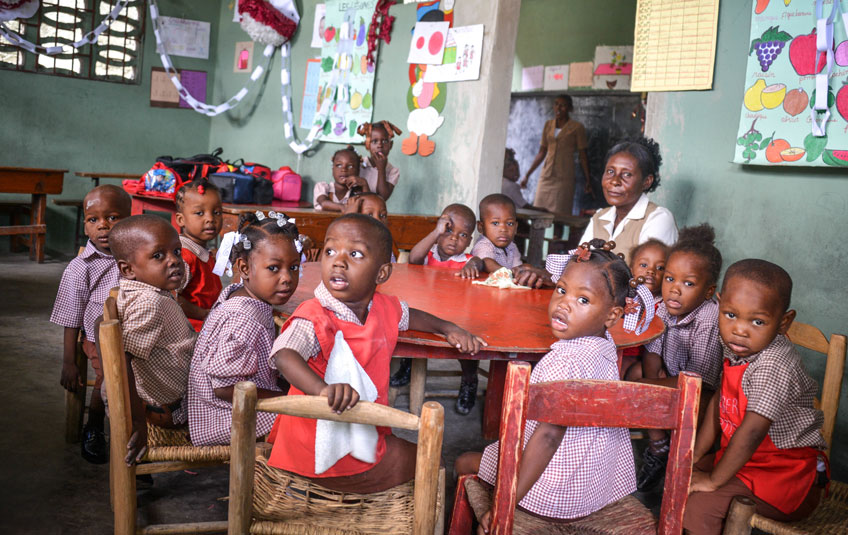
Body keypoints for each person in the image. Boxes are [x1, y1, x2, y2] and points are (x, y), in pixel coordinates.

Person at [266, 214, 486, 492]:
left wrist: (448, 327)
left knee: (412, 451)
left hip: (361, 433)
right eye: (330, 250)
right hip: (321, 450)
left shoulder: (383, 306)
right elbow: (285, 355)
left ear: (381, 273)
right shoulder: (314, 314)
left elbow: (411, 316)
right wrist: (323, 390)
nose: (338, 261)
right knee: (435, 462)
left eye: (355, 254)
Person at [455, 239, 646, 529]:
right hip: (592, 489)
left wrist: (502, 505)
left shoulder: (565, 362)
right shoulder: (605, 347)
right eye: (561, 290)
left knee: (464, 461)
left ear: (612, 316)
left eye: (583, 300)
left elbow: (547, 438)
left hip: (552, 493)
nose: (563, 304)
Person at [684, 260, 829, 534]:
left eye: (758, 321)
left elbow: (752, 432)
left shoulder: (773, 364)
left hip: (785, 477)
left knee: (701, 504)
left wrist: (714, 481)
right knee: (681, 473)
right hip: (746, 462)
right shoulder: (740, 346)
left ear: (784, 322)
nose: (740, 329)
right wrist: (696, 454)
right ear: (720, 304)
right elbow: (720, 402)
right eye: (730, 315)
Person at [188, 211, 300, 446]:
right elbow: (225, 389)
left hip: (234, 403)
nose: (287, 278)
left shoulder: (240, 295)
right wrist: (284, 399)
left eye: (294, 267)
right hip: (223, 416)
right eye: (273, 268)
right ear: (244, 268)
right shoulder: (243, 320)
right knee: (313, 421)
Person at [637, 224, 723, 491]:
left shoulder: (708, 317)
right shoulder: (663, 308)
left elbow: (700, 381)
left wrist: (650, 391)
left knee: (636, 392)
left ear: (708, 291)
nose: (675, 289)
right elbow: (652, 354)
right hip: (673, 379)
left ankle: (675, 460)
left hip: (704, 394)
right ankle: (659, 447)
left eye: (688, 283)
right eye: (669, 279)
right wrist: (652, 385)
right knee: (635, 378)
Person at [50, 184, 131, 463]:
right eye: (93, 219)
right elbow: (70, 317)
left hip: (137, 332)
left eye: (113, 217)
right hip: (98, 340)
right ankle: (95, 427)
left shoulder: (140, 257)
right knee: (112, 372)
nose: (103, 226)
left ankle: (154, 424)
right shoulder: (80, 268)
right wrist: (69, 362)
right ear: (85, 226)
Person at [109, 215, 197, 465]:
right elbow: (122, 359)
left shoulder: (138, 288)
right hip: (172, 407)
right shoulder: (151, 303)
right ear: (128, 269)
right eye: (158, 256)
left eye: (177, 251)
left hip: (167, 397)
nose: (175, 261)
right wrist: (137, 422)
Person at [392, 204, 477, 408]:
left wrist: (475, 265)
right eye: (448, 230)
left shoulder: (468, 262)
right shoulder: (429, 255)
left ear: (470, 241)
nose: (454, 238)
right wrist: (436, 232)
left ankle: (469, 379)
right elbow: (414, 258)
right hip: (427, 315)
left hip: (456, 317)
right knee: (408, 328)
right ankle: (408, 365)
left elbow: (480, 263)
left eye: (463, 235)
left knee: (467, 347)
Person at [579, 136, 678, 263]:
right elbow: (579, 262)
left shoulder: (658, 219)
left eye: (627, 174)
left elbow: (647, 277)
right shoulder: (599, 218)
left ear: (646, 182)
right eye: (610, 171)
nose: (614, 181)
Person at [519, 95, 591, 224]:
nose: (558, 108)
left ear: (569, 108)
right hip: (546, 175)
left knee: (560, 215)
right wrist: (527, 175)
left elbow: (583, 155)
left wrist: (588, 180)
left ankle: (556, 242)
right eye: (556, 104)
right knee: (538, 213)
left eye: (562, 105)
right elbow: (542, 152)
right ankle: (538, 242)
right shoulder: (548, 125)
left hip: (564, 177)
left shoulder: (577, 127)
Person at [459, 194, 548, 288]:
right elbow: (486, 262)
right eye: (495, 223)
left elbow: (518, 268)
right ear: (481, 227)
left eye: (510, 223)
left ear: (516, 227)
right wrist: (509, 273)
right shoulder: (483, 245)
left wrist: (522, 273)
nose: (503, 229)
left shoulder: (512, 247)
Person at [174, 179, 223, 331]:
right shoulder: (184, 257)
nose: (210, 219)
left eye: (216, 212)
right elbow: (172, 297)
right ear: (181, 219)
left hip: (206, 325)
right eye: (199, 213)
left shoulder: (201, 252)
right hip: (190, 332)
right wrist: (203, 314)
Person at [621, 239, 669, 380]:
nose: (651, 271)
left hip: (644, 358)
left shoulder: (663, 305)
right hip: (620, 350)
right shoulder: (626, 296)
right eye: (643, 265)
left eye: (660, 268)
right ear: (631, 270)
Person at [343, 191, 397, 262]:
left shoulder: (384, 246)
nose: (378, 220)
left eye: (383, 215)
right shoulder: (348, 247)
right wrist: (348, 218)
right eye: (369, 215)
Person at [314, 146, 370, 212]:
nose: (344, 169)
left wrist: (364, 184)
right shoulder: (323, 187)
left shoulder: (357, 193)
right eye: (339, 165)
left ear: (358, 171)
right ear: (333, 168)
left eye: (350, 166)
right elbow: (324, 203)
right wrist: (344, 208)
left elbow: (368, 207)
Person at [358, 121, 402, 200]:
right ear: (367, 144)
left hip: (376, 210)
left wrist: (381, 169)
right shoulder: (359, 163)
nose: (380, 145)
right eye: (374, 141)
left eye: (385, 141)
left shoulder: (393, 171)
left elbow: (382, 197)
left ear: (390, 145)